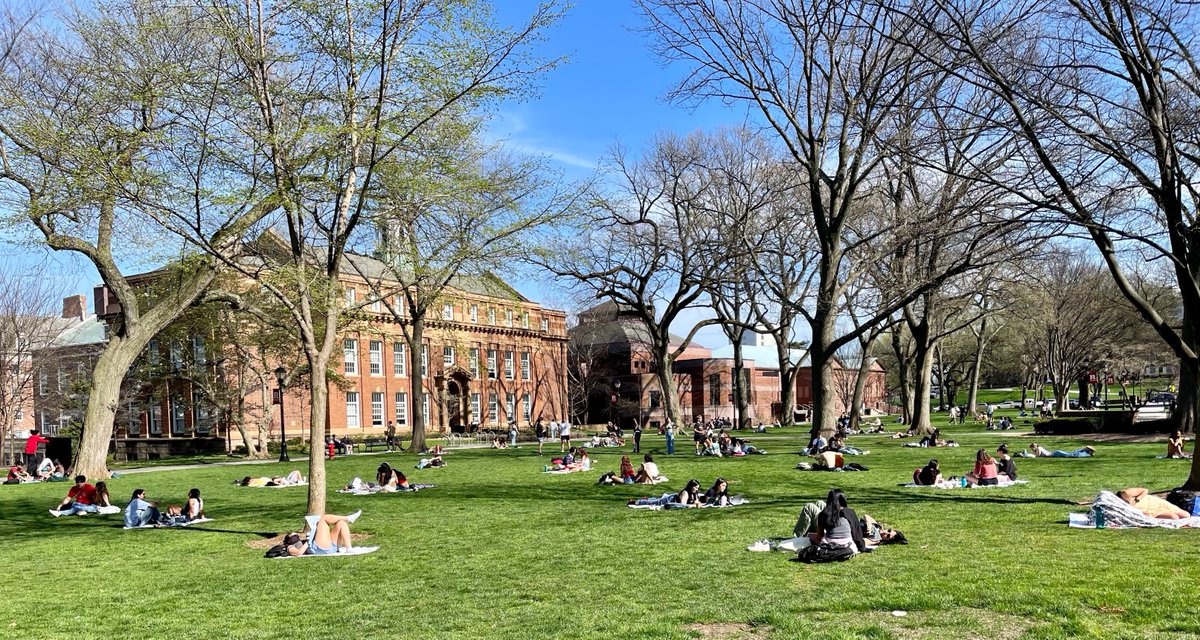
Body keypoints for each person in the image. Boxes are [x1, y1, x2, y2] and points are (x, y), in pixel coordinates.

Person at [285, 510, 363, 556]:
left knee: (341, 523)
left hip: (331, 547)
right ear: (289, 539)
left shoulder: (300, 541)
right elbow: (299, 553)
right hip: (318, 549)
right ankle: (348, 518)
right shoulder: (290, 547)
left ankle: (349, 548)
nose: (296, 535)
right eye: (293, 534)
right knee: (324, 518)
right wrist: (308, 541)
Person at [1117, 488, 1190, 520]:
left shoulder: (1125, 493)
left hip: (1154, 503)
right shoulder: (1120, 507)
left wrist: (1136, 500)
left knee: (1186, 515)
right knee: (1174, 518)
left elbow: (1145, 490)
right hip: (1150, 512)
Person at [628, 479, 702, 509]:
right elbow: (683, 505)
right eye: (695, 488)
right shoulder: (685, 493)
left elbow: (697, 501)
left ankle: (648, 498)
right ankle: (635, 502)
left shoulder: (694, 493)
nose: (697, 489)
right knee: (655, 502)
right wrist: (693, 505)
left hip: (673, 498)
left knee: (655, 500)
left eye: (698, 488)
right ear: (691, 486)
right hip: (669, 500)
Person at [1024, 442, 1095, 458]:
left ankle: (1088, 452)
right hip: (1055, 453)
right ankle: (1085, 450)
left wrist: (1033, 453)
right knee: (1072, 453)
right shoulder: (1038, 448)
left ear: (1034, 447)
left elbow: (1038, 456)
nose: (1032, 449)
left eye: (1032, 448)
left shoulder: (1039, 448)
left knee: (1071, 455)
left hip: (1055, 453)